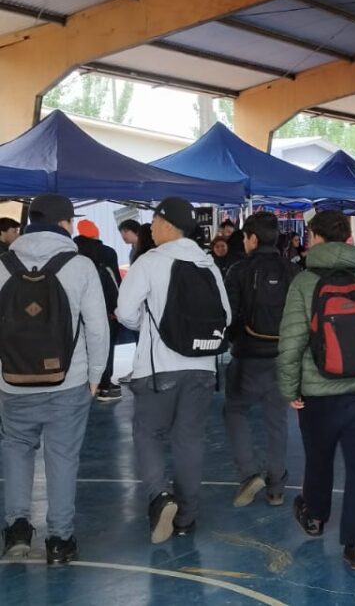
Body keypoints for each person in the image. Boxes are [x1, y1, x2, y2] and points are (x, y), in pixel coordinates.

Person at [277, 211, 355, 571]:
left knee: (318, 458)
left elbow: (291, 343)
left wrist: (289, 388)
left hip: (316, 394)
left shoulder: (304, 282)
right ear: (348, 236)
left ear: (315, 237)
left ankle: (314, 516)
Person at [0, 194, 109, 565]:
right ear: (66, 223)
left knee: (15, 450)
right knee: (62, 457)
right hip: (68, 381)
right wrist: (95, 377)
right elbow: (97, 328)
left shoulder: (2, 263)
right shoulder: (79, 266)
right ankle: (60, 541)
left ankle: (16, 528)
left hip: (12, 381)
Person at [116, 197, 231, 544]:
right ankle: (186, 516)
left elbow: (124, 312)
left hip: (158, 368)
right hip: (201, 368)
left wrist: (146, 326)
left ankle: (160, 496)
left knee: (148, 433)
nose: (150, 226)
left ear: (168, 224)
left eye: (154, 220)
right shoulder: (207, 264)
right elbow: (225, 316)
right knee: (189, 440)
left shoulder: (150, 262)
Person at [223, 212, 299, 509]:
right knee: (277, 421)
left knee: (235, 411)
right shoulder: (292, 271)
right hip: (282, 358)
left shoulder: (238, 270)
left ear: (253, 239)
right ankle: (276, 487)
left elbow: (228, 313)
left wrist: (234, 339)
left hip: (246, 357)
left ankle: (248, 474)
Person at [74, 219, 123, 402]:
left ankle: (83, 385)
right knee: (105, 346)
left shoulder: (72, 253)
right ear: (96, 234)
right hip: (104, 309)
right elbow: (114, 281)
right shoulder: (108, 252)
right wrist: (116, 308)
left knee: (81, 347)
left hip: (78, 310)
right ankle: (104, 385)